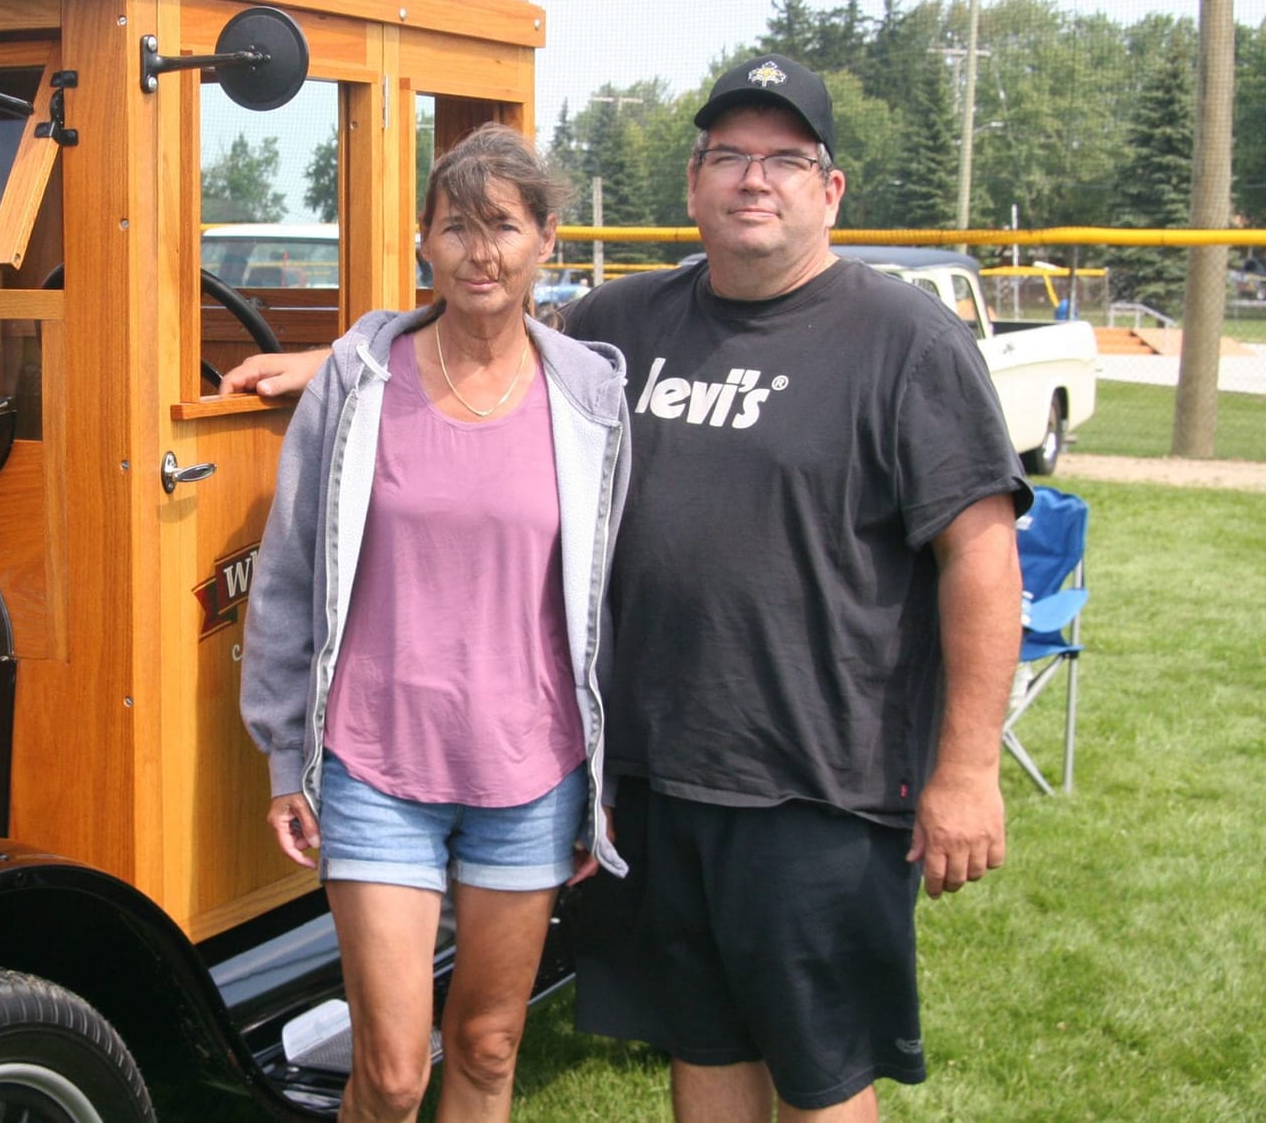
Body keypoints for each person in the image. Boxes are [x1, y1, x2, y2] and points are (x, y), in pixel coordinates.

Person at [224, 57, 1028, 1122]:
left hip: (815, 780)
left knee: (819, 1068)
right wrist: (334, 357)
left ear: (828, 190)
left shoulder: (903, 338)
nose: (754, 180)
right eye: (729, 156)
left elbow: (977, 554)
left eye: (784, 159)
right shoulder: (629, 327)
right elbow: (482, 323)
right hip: (655, 775)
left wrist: (965, 767)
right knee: (700, 1043)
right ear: (692, 182)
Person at [240, 123, 631, 1123]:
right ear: (423, 242)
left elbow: (607, 597)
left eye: (502, 225)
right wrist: (288, 756)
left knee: (489, 1045)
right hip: (375, 764)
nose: (479, 251)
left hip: (528, 769)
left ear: (546, 236)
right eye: (455, 227)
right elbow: (286, 574)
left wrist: (601, 777)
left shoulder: (587, 393)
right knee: (393, 1067)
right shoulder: (359, 378)